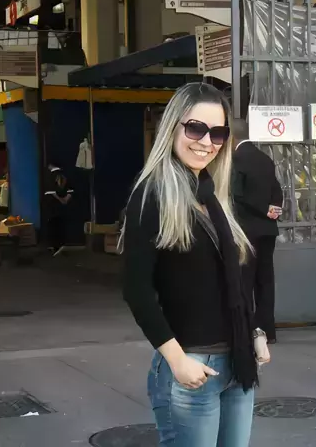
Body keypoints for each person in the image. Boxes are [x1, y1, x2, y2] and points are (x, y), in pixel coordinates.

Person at [121, 83, 270, 446]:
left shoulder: (211, 193)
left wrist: (254, 332)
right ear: (173, 127)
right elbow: (137, 290)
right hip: (191, 366)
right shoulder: (152, 194)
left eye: (217, 133)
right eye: (195, 128)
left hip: (237, 363)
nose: (206, 142)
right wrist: (177, 360)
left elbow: (234, 278)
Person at [231, 119, 283, 344]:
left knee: (245, 281)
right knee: (265, 280)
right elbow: (277, 190)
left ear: (232, 137)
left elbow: (237, 195)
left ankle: (248, 330)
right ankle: (268, 331)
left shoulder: (236, 160)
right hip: (268, 230)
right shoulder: (265, 158)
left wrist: (262, 209)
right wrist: (274, 209)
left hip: (246, 230)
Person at [45, 164, 72, 256]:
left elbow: (66, 196)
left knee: (56, 226)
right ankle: (56, 246)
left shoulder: (52, 177)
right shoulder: (54, 180)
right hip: (55, 209)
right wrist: (63, 200)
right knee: (56, 226)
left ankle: (57, 246)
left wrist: (63, 199)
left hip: (56, 210)